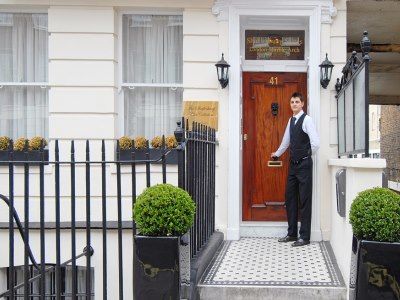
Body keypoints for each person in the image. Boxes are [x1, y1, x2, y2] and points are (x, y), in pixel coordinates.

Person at [271, 92, 320, 247]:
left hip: (304, 165)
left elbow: (316, 143)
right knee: (290, 198)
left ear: (302, 104)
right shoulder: (291, 120)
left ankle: (304, 237)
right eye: (292, 102)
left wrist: (306, 155)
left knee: (304, 200)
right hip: (293, 166)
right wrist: (277, 154)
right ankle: (292, 234)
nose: (294, 104)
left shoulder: (307, 120)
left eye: (297, 102)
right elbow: (286, 141)